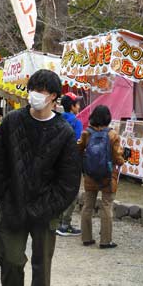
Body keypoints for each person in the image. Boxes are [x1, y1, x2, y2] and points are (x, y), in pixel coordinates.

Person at [0, 69, 81, 286]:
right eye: (33, 89)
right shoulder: (12, 122)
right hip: (12, 203)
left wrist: (46, 207)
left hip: (46, 209)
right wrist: (5, 194)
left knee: (42, 268)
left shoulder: (64, 131)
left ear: (53, 96)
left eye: (41, 91)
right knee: (9, 257)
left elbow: (69, 180)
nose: (35, 95)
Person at [79, 105, 124, 249]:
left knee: (88, 206)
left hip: (90, 175)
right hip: (108, 176)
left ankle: (86, 238)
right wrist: (122, 161)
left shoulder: (87, 133)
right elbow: (118, 157)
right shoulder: (113, 135)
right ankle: (105, 240)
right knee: (106, 206)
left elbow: (78, 149)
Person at [56, 93, 83, 237]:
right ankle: (65, 224)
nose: (79, 107)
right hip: (71, 163)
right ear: (72, 106)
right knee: (72, 193)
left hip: (57, 163)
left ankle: (59, 222)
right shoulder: (76, 122)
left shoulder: (58, 119)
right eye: (77, 104)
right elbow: (77, 144)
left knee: (60, 191)